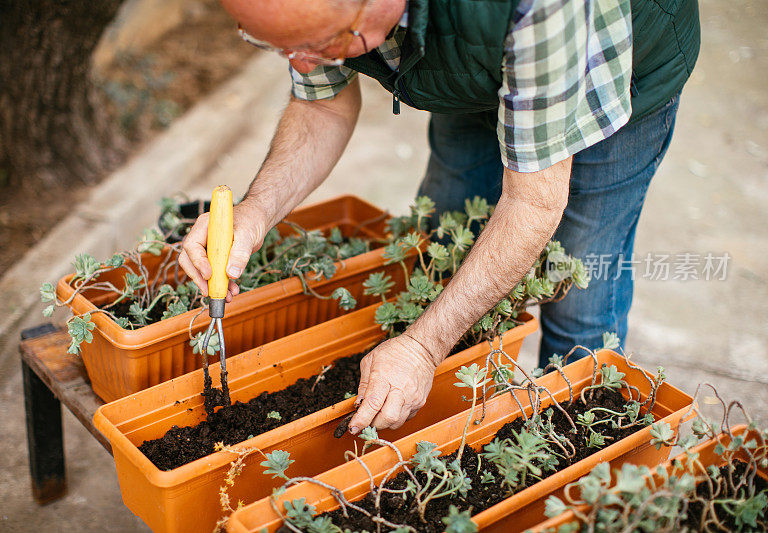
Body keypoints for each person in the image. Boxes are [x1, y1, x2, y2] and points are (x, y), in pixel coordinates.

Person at [178, 0, 700, 436]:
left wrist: (424, 346)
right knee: (445, 236)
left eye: (324, 47)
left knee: (579, 283)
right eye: (272, 44)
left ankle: (580, 458)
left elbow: (533, 202)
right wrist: (255, 211)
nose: (305, 64)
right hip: (470, 59)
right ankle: (450, 395)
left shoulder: (538, 8)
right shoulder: (317, 14)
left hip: (612, 71)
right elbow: (321, 107)